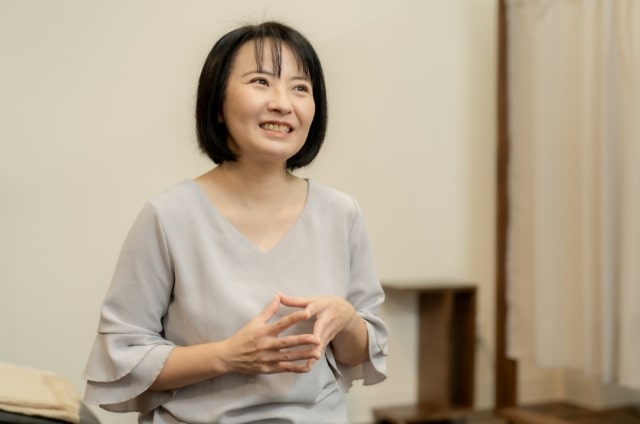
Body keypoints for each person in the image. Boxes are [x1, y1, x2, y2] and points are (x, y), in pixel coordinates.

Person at [83, 21, 388, 423]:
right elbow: (124, 355)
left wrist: (346, 319)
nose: (283, 103)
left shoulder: (341, 213)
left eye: (300, 87)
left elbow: (359, 352)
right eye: (261, 81)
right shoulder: (168, 215)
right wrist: (228, 356)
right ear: (218, 104)